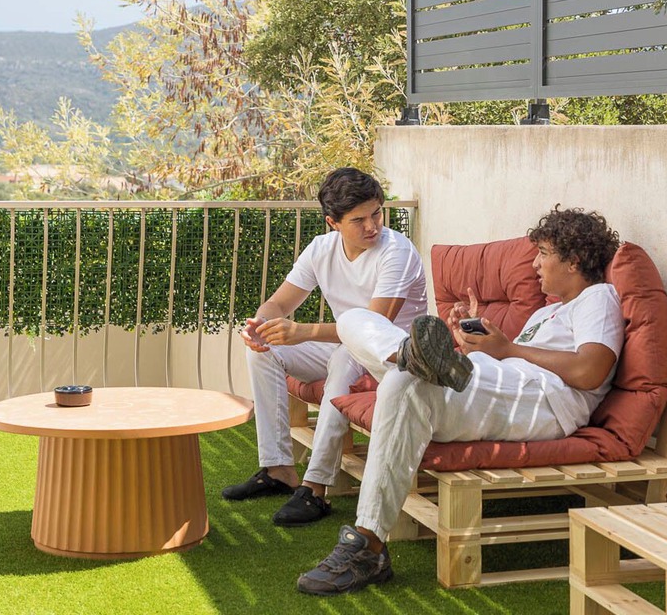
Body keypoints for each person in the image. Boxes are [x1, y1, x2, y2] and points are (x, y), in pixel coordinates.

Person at [296, 206, 625, 595]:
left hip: (541, 403)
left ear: (573, 262)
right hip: (500, 390)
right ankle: (412, 356)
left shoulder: (598, 298)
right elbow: (506, 361)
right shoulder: (550, 313)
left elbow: (592, 370)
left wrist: (507, 350)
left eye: (543, 254)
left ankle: (366, 545)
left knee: (402, 380)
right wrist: (470, 345)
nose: (535, 264)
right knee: (359, 327)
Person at [222, 167, 428, 527]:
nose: (372, 226)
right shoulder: (321, 249)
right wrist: (260, 326)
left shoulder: (397, 252)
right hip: (346, 347)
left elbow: (373, 328)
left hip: (393, 356)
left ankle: (315, 487)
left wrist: (303, 331)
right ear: (333, 222)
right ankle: (278, 469)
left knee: (344, 361)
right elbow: (279, 304)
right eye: (358, 220)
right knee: (264, 350)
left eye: (377, 213)